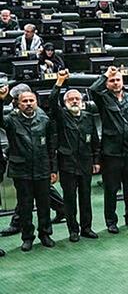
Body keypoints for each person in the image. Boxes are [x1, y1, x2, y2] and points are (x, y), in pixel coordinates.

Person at [0, 86, 58, 251]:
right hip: (22, 171)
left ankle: (45, 234)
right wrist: (1, 99)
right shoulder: (11, 120)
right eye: (24, 101)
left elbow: (51, 147)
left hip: (42, 168)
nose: (28, 104)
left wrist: (53, 169)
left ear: (36, 102)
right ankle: (27, 238)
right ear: (18, 104)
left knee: (44, 205)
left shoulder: (44, 120)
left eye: (31, 101)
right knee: (25, 206)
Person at [88, 67, 128, 233]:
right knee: (111, 188)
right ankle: (111, 221)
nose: (115, 83)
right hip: (111, 151)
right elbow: (93, 90)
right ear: (107, 83)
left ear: (123, 81)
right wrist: (106, 73)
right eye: (112, 81)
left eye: (117, 80)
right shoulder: (103, 98)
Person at [48, 73, 99, 240]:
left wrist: (96, 160)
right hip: (67, 165)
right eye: (71, 99)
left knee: (85, 198)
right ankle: (73, 230)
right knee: (70, 200)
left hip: (85, 164)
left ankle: (87, 228)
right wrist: (59, 83)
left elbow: (95, 142)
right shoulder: (61, 116)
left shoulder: (88, 118)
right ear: (65, 103)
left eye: (78, 98)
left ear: (83, 101)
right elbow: (51, 102)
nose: (75, 101)